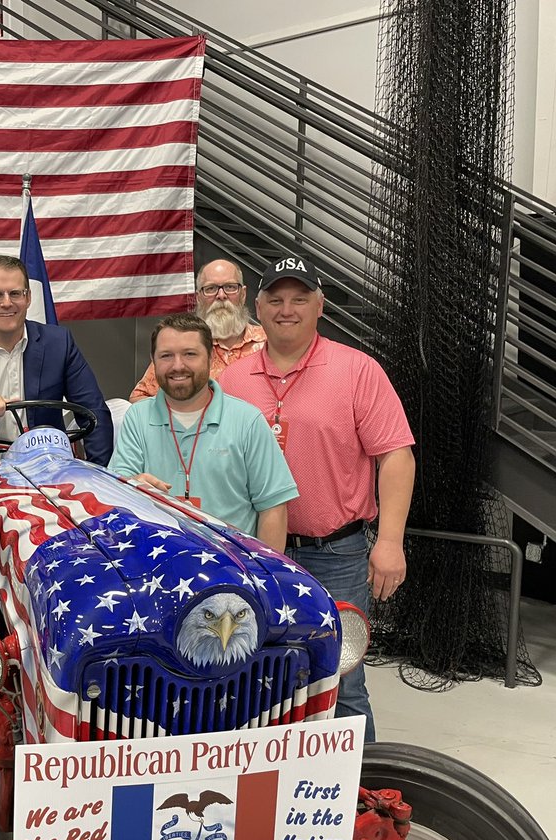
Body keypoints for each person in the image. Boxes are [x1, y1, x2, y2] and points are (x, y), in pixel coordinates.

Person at [219, 255, 415, 741]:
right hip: (252, 555)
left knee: (342, 677)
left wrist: (390, 541)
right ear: (258, 308)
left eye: (300, 299)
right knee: (250, 672)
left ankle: (360, 796)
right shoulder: (232, 380)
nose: (287, 309)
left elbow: (396, 457)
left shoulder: (357, 371)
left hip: (337, 553)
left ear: (320, 306)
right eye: (276, 299)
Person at [110, 314, 297, 551]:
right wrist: (132, 486)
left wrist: (264, 576)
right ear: (153, 361)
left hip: (233, 573)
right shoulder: (137, 418)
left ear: (209, 358)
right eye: (166, 355)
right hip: (158, 568)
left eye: (190, 354)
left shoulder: (247, 421)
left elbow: (273, 508)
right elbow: (114, 495)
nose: (178, 366)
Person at [0, 255, 113, 466]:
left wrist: (98, 473)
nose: (6, 303)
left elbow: (94, 411)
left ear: (28, 298)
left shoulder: (59, 343)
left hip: (49, 467)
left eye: (15, 293)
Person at [129, 259, 265, 401]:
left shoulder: (269, 343)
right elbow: (138, 398)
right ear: (198, 298)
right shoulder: (180, 343)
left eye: (230, 287)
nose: (221, 296)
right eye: (210, 288)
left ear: (243, 295)